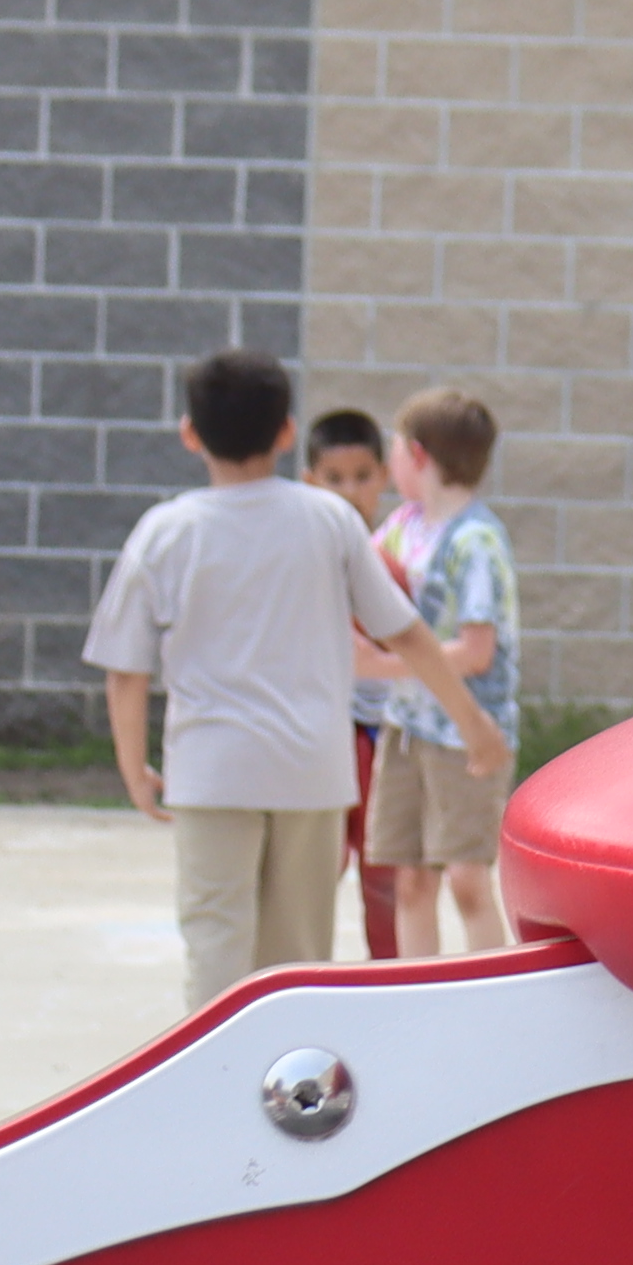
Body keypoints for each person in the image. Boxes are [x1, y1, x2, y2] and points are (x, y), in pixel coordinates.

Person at [86, 349, 506, 1013]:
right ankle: (290, 1103)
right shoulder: (330, 520)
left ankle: (215, 1095)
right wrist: (472, 722)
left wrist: (134, 767)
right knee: (295, 966)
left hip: (211, 773)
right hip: (311, 771)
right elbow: (404, 633)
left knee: (216, 952)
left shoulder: (165, 532)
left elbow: (126, 672)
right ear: (287, 432)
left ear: (190, 434)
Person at [363, 389, 521, 960]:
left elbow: (477, 652)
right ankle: (419, 992)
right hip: (408, 725)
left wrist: (382, 665)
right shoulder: (400, 527)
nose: (391, 465)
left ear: (420, 456)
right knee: (410, 877)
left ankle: (487, 993)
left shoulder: (476, 541)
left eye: (396, 451)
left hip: (464, 730)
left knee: (467, 877)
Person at [302, 406, 400, 960]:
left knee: (382, 871)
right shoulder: (307, 555)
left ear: (383, 476)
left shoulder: (393, 553)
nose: (349, 491)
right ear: (310, 481)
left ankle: (386, 976)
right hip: (327, 729)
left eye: (362, 477)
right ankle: (303, 972)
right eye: (334, 479)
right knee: (319, 863)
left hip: (385, 731)